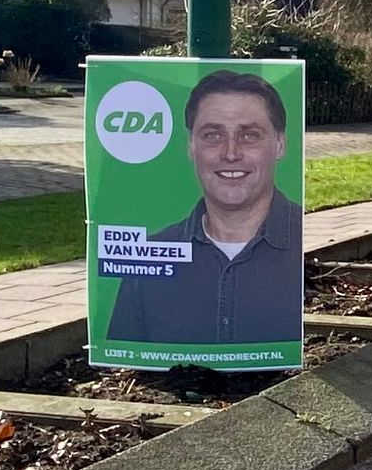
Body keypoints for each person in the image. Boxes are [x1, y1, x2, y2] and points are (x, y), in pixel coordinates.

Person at [107, 70, 302, 345]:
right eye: (212, 135)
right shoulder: (149, 259)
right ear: (191, 146)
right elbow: (124, 359)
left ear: (279, 145)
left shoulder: (308, 244)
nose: (230, 153)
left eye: (249, 136)